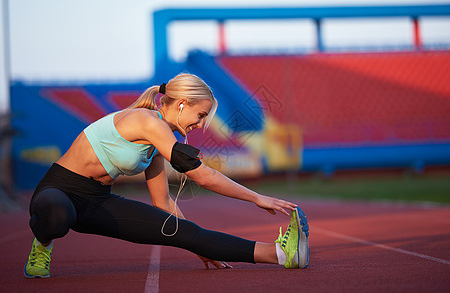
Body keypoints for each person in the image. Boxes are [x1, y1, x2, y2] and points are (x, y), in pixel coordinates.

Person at [24, 73, 310, 278]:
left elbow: (162, 202)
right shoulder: (146, 121)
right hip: (59, 190)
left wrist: (192, 242)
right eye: (200, 115)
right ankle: (42, 245)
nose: (200, 124)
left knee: (188, 231)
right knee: (57, 215)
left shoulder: (157, 144)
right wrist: (257, 198)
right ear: (182, 103)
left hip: (97, 202)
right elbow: (204, 176)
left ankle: (280, 254)